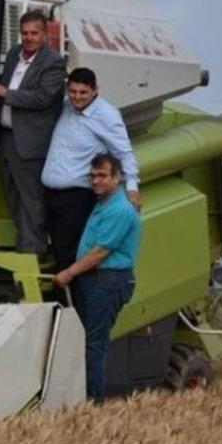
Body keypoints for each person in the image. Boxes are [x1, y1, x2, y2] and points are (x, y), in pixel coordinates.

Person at [53, 153, 141, 403]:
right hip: (96, 280)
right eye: (92, 176)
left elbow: (100, 252)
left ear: (118, 177)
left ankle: (93, 401)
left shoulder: (120, 209)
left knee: (94, 342)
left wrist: (68, 273)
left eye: (102, 176)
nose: (96, 181)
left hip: (108, 280)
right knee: (88, 340)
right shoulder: (104, 203)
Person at [42, 67, 141, 274]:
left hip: (77, 196)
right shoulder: (66, 107)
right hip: (52, 194)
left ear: (95, 90)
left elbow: (124, 152)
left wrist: (132, 186)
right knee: (57, 253)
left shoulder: (106, 115)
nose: (77, 97)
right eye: (73, 91)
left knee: (70, 256)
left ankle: (71, 293)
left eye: (83, 92)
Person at [0, 10, 65, 255]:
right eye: (25, 33)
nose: (29, 38)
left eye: (34, 33)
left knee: (31, 198)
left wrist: (6, 94)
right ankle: (24, 245)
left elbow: (43, 98)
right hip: (7, 136)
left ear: (45, 35)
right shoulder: (14, 54)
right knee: (13, 195)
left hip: (31, 142)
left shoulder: (53, 62)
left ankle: (34, 250)